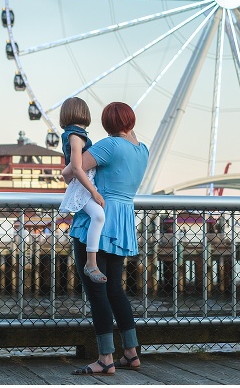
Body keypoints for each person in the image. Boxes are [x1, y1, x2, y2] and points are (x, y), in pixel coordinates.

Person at [67, 102, 149, 376]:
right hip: (124, 219)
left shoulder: (109, 145)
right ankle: (131, 352)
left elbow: (73, 170)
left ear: (106, 124)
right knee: (115, 289)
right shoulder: (143, 151)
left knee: (96, 291)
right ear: (131, 121)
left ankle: (105, 358)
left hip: (100, 218)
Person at [58, 97, 107, 284]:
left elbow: (69, 168)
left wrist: (65, 173)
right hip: (83, 185)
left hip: (82, 182)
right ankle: (91, 263)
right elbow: (77, 167)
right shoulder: (76, 136)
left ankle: (91, 262)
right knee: (98, 216)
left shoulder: (72, 134)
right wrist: (93, 192)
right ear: (83, 113)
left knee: (98, 216)